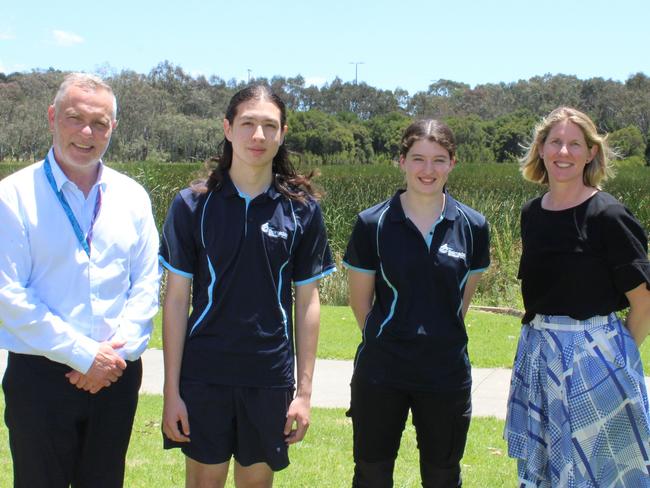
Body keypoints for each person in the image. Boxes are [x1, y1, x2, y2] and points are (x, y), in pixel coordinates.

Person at [160, 84, 335, 487]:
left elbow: (308, 302)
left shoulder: (302, 209)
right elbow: (175, 299)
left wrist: (304, 394)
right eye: (248, 124)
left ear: (282, 133)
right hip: (204, 373)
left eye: (269, 126)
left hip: (269, 375)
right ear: (227, 128)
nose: (258, 136)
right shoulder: (191, 204)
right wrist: (172, 391)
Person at [0, 73, 161, 487]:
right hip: (41, 376)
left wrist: (112, 357)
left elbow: (145, 286)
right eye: (75, 118)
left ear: (113, 128)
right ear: (53, 116)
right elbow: (8, 295)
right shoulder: (12, 196)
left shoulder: (132, 197)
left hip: (115, 375)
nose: (86, 133)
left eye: (100, 123)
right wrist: (82, 354)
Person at [504, 106, 650, 486]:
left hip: (596, 361)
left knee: (598, 474)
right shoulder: (532, 213)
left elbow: (645, 300)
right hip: (539, 354)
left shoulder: (609, 215)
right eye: (555, 142)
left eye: (574, 144)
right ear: (540, 149)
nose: (563, 153)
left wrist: (611, 357)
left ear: (591, 153)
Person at [343, 119, 490, 487]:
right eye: (418, 158)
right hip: (381, 372)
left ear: (453, 163)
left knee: (443, 476)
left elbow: (460, 301)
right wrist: (392, 340)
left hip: (446, 373)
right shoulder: (371, 223)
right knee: (372, 473)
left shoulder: (473, 226)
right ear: (401, 161)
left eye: (439, 159)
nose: (428, 170)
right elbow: (360, 302)